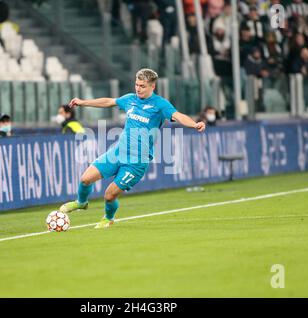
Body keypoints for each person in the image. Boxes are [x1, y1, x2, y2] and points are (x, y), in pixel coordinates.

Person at [59, 69, 206, 228]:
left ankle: (108, 218)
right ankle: (81, 203)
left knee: (109, 195)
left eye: (142, 86)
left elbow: (178, 116)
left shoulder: (160, 104)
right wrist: (83, 102)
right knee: (85, 179)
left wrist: (194, 124)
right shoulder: (130, 99)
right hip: (117, 153)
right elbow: (109, 101)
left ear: (152, 86)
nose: (138, 88)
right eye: (136, 84)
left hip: (136, 162)